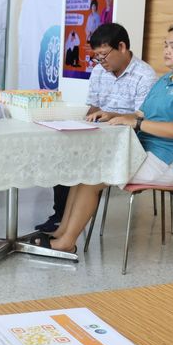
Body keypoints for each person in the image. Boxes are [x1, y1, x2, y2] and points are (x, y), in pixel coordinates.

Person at [45, 22, 173, 253]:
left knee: (92, 176)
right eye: (165, 45)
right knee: (84, 170)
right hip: (147, 151)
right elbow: (141, 114)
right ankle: (61, 233)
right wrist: (114, 115)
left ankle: (67, 243)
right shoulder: (167, 79)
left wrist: (137, 123)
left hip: (170, 162)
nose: (167, 51)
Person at [34, 23, 157, 234]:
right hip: (99, 133)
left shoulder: (145, 75)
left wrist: (112, 115)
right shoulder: (99, 71)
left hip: (126, 140)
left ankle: (66, 222)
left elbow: (141, 117)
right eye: (96, 57)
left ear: (122, 47)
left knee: (78, 163)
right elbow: (93, 106)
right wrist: (81, 117)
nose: (100, 62)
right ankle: (60, 216)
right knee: (62, 152)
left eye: (103, 55)